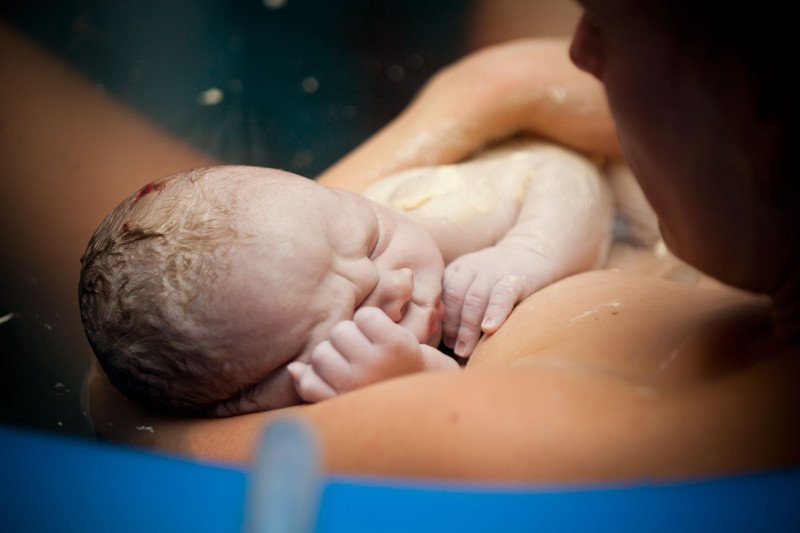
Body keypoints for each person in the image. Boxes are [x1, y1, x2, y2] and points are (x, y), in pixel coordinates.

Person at [88, 2, 800, 484]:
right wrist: (494, 88)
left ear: (766, 110)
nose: (577, 51)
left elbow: (127, 414)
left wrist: (477, 95)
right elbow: (525, 75)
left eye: (606, 19)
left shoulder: (578, 432)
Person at [79, 137, 612, 415]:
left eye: (372, 240)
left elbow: (563, 175)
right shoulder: (313, 408)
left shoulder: (430, 214)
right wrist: (413, 384)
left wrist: (526, 253)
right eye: (352, 317)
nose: (397, 283)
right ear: (249, 403)